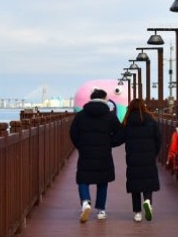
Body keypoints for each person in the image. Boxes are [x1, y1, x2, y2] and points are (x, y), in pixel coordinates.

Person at [69, 88, 122, 223]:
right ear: (104, 99)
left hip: (86, 152)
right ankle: (101, 210)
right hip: (104, 152)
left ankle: (86, 202)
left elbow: (73, 132)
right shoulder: (110, 116)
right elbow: (121, 133)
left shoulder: (81, 115)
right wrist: (110, 143)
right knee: (102, 181)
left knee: (83, 179)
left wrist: (80, 145)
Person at [117, 98, 161, 222]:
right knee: (148, 181)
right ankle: (147, 201)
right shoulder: (151, 119)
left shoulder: (128, 120)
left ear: (130, 108)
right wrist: (155, 153)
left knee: (135, 183)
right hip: (148, 156)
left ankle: (137, 213)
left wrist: (106, 142)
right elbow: (158, 138)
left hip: (133, 157)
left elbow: (120, 138)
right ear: (143, 106)